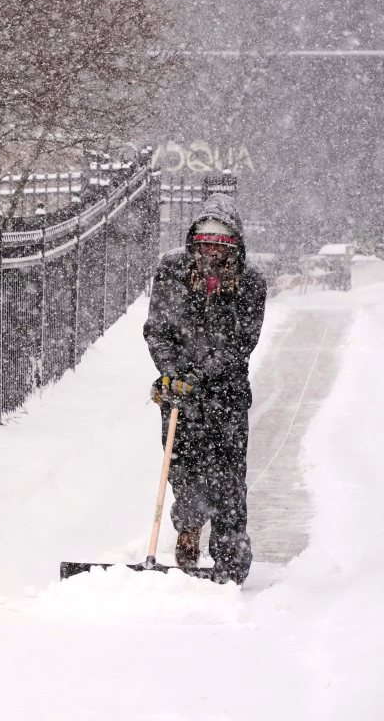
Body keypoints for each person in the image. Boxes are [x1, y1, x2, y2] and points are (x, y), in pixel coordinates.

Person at [143, 193, 266, 585]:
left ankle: (230, 557)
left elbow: (240, 343)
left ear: (235, 245)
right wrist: (172, 372)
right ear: (192, 241)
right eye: (205, 242)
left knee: (228, 475)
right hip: (180, 396)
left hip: (226, 396)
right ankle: (189, 530)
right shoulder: (171, 272)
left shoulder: (251, 284)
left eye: (221, 243)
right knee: (185, 468)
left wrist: (198, 375)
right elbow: (157, 329)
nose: (211, 250)